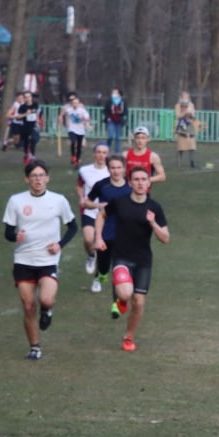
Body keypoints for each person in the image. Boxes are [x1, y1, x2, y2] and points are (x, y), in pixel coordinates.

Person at [3, 160, 79, 361]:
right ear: (27, 179)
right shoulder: (16, 201)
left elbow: (72, 227)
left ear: (48, 178)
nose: (38, 179)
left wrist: (59, 245)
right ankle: (34, 347)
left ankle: (48, 310)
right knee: (28, 306)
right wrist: (15, 237)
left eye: (41, 175)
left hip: (48, 260)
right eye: (34, 176)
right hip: (23, 260)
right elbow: (8, 232)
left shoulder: (58, 200)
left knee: (45, 299)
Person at [94, 163, 171, 353]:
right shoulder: (120, 202)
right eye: (136, 179)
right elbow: (101, 215)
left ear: (148, 184)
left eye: (144, 179)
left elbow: (165, 238)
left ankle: (128, 337)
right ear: (130, 182)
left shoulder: (154, 207)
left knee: (139, 302)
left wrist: (153, 223)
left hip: (144, 261)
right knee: (126, 294)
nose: (140, 183)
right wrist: (98, 237)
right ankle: (120, 299)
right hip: (121, 257)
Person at [84, 151, 130, 306]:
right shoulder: (102, 185)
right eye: (112, 168)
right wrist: (98, 205)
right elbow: (87, 202)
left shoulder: (132, 185)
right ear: (108, 169)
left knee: (119, 268)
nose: (116, 171)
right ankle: (99, 275)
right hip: (105, 232)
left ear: (124, 168)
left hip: (124, 234)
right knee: (104, 267)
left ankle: (116, 304)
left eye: (119, 167)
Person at [75, 143, 112, 285]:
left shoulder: (112, 172)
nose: (101, 155)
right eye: (99, 152)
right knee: (88, 239)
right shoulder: (84, 171)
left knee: (102, 246)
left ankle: (97, 278)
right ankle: (91, 256)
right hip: (89, 210)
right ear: (94, 154)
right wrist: (82, 197)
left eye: (104, 152)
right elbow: (79, 186)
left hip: (106, 214)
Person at [173, 92, 200, 168]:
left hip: (190, 126)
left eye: (187, 97)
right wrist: (184, 112)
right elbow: (178, 116)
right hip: (181, 126)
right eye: (184, 97)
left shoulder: (191, 105)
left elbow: (193, 116)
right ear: (181, 97)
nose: (185, 99)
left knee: (192, 146)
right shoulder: (178, 105)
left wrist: (190, 115)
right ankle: (178, 162)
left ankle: (192, 162)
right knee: (180, 147)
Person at [104, 89, 127, 154]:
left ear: (119, 94)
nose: (113, 94)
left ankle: (117, 152)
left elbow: (125, 111)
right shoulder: (109, 101)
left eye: (115, 93)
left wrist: (122, 115)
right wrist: (107, 117)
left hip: (119, 121)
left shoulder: (123, 101)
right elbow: (105, 110)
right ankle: (106, 148)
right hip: (111, 120)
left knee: (118, 137)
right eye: (113, 92)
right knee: (110, 136)